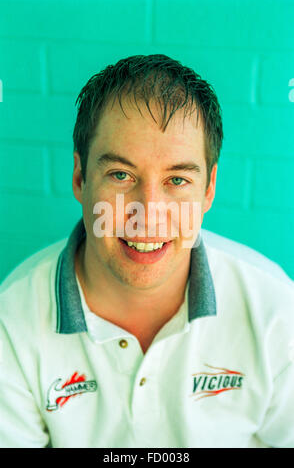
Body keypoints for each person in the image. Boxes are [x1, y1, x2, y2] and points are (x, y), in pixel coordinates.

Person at [0, 54, 293, 448]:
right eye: (121, 175)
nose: (148, 215)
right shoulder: (11, 322)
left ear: (208, 189)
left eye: (177, 179)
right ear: (80, 177)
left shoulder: (275, 309)